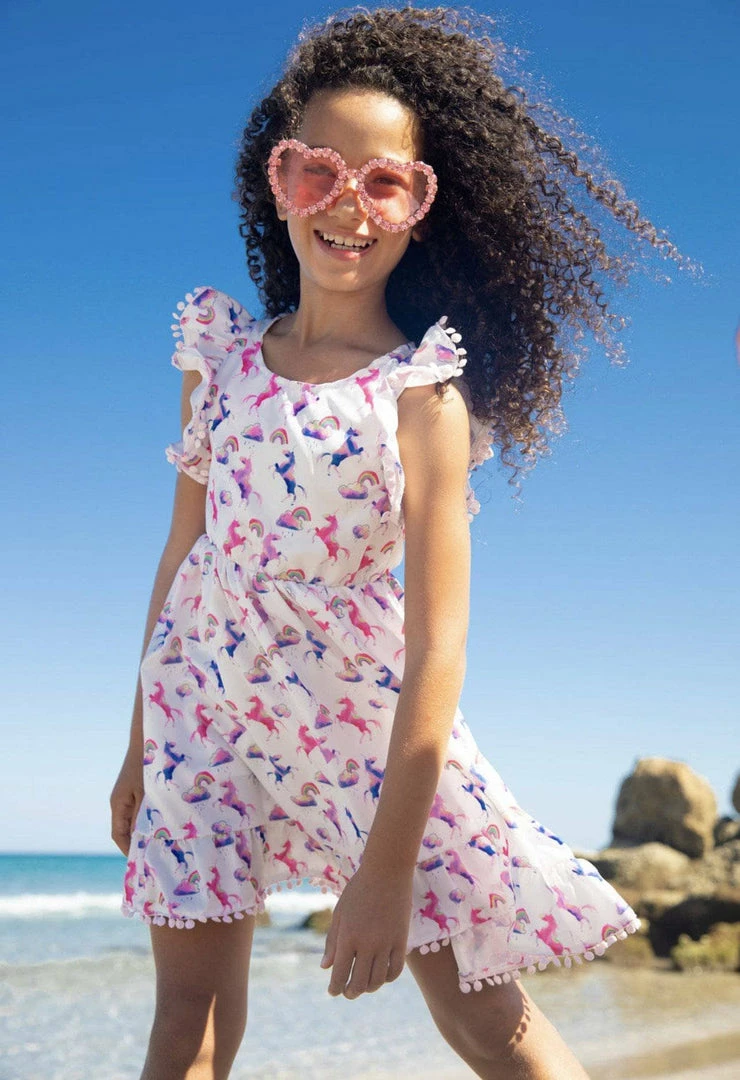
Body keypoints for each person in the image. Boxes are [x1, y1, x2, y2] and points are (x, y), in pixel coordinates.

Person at [110, 6, 690, 1078]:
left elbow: (438, 646)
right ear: (276, 181)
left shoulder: (420, 398)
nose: (347, 204)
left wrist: (383, 873)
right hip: (202, 716)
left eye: (384, 182)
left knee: (485, 1023)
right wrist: (141, 741)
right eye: (316, 171)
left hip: (367, 741)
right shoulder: (218, 360)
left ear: (423, 210)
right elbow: (182, 558)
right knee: (185, 1020)